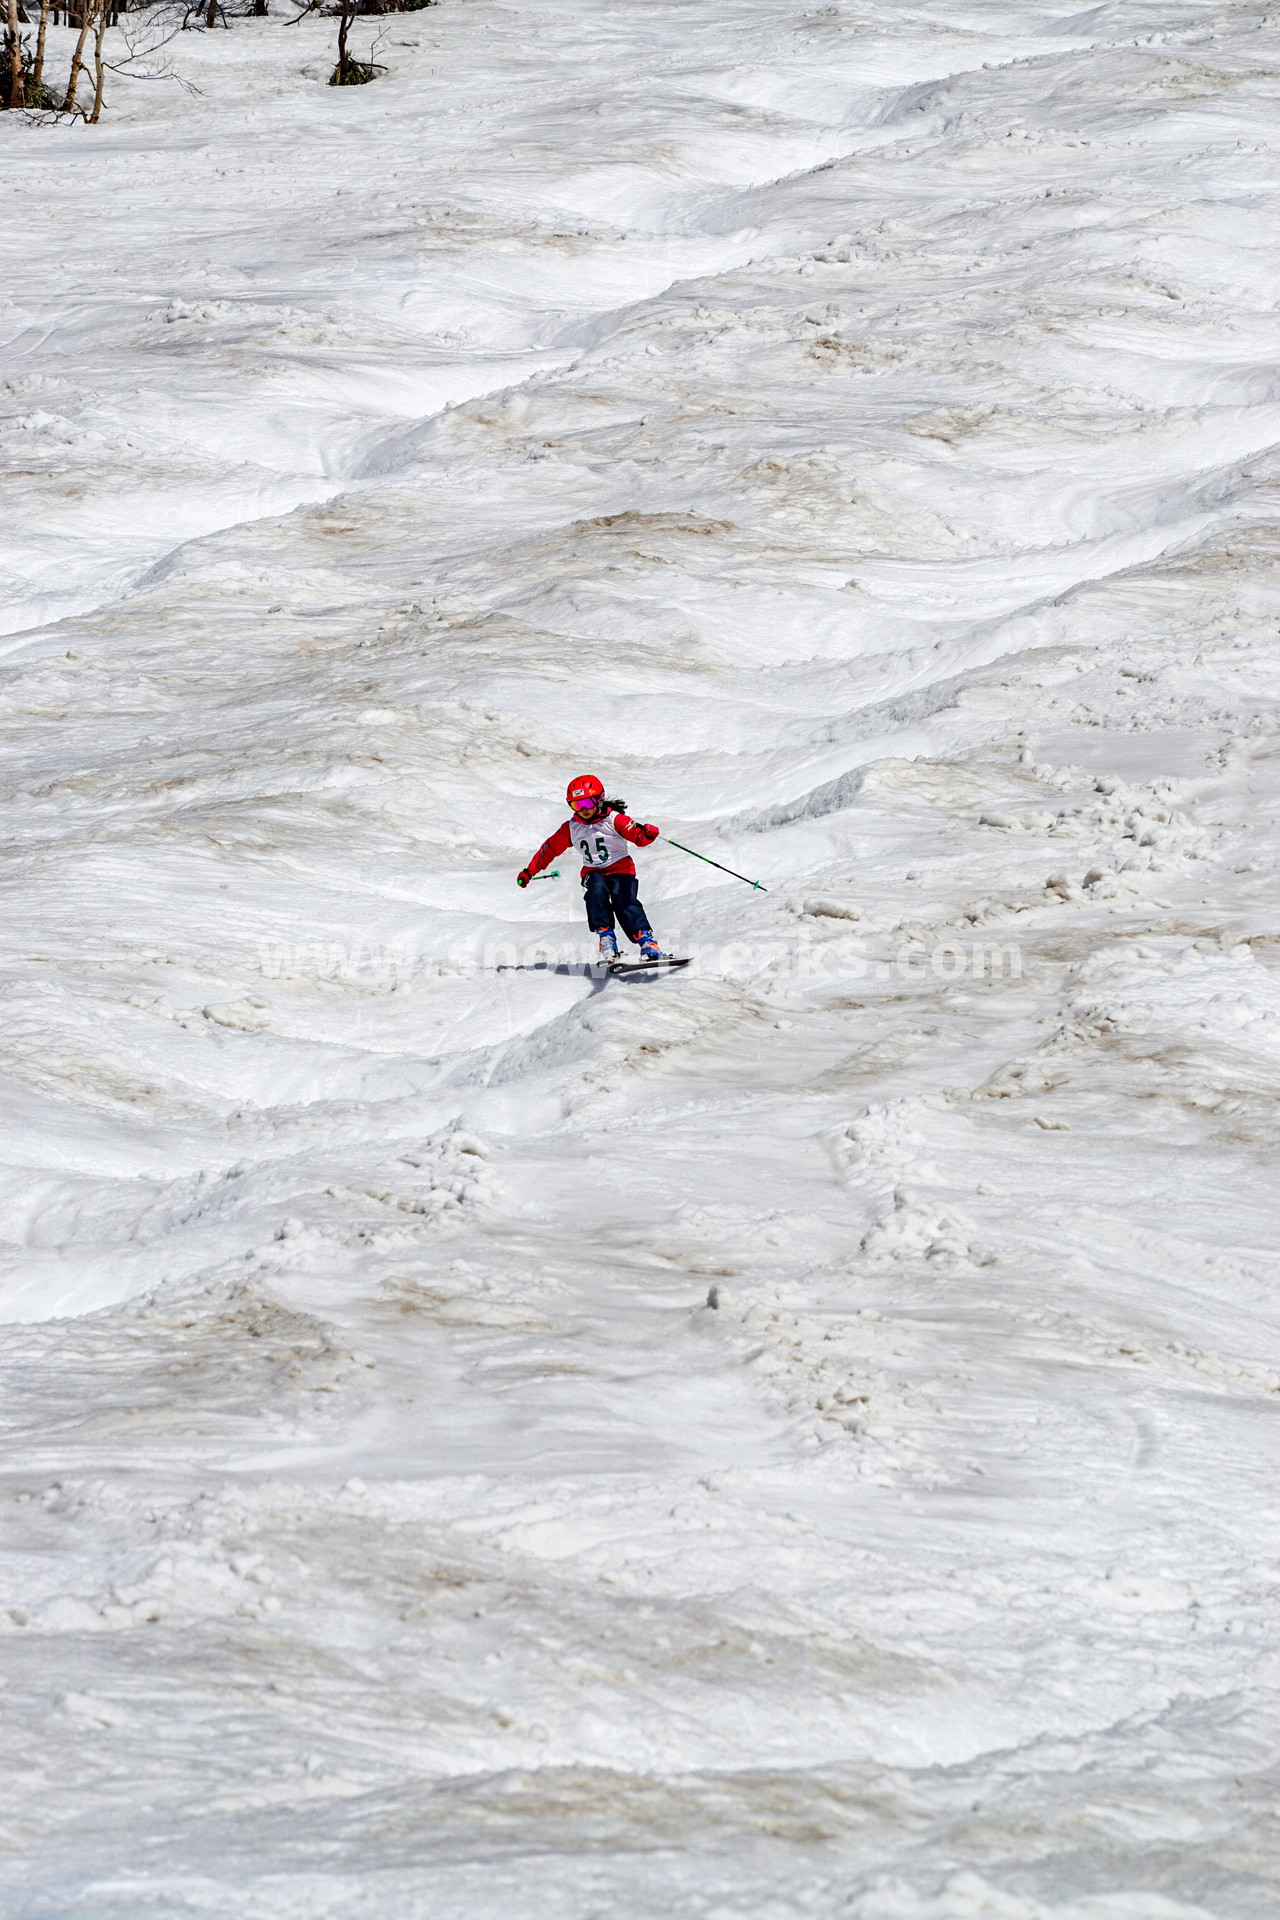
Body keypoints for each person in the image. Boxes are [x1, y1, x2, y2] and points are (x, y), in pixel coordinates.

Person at [517, 774, 668, 964]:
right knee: (596, 890)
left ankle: (647, 942)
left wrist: (647, 834)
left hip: (621, 869)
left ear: (599, 799)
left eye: (587, 803)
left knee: (624, 902)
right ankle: (606, 937)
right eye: (576, 805)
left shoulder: (615, 819)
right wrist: (529, 871)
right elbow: (548, 850)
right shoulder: (571, 828)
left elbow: (638, 837)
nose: (583, 810)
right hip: (593, 871)